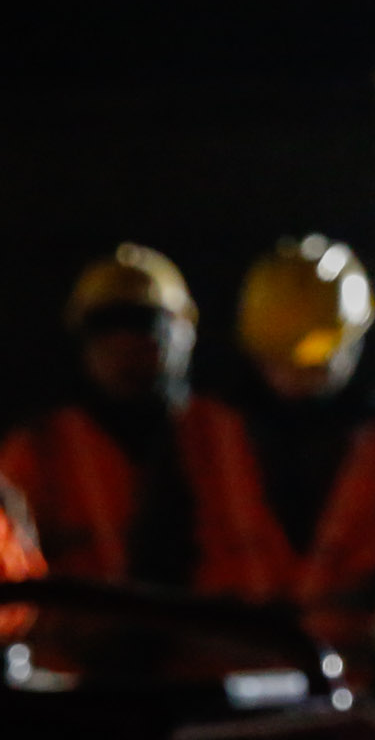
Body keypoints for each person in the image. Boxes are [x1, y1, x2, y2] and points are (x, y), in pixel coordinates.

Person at [228, 235, 375, 657]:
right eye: (281, 355)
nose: (296, 372)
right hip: (222, 689)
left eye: (313, 357)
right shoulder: (205, 435)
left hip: (355, 692)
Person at [2, 246, 284, 593]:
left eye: (145, 330)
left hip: (220, 639)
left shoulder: (233, 437)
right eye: (108, 333)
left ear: (186, 333)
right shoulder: (39, 449)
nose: (127, 351)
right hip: (78, 642)